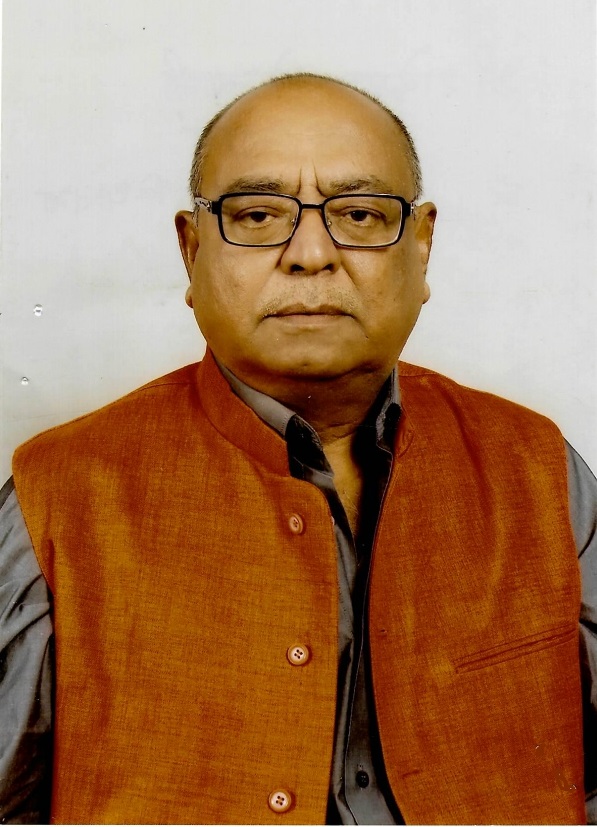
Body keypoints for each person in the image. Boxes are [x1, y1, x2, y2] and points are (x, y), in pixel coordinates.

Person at [1, 72, 596, 825]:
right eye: (257, 215)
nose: (311, 253)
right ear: (190, 250)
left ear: (421, 246)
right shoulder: (59, 496)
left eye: (359, 214)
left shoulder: (537, 469)